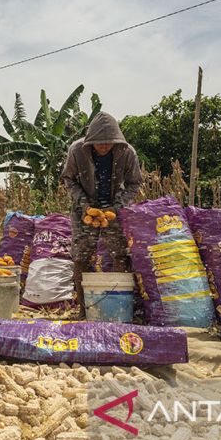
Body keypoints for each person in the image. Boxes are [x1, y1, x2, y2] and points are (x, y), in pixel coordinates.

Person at [61, 111, 143, 318]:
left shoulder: (127, 152)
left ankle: (121, 308)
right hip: (84, 210)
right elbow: (69, 179)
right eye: (99, 143)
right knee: (81, 257)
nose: (104, 146)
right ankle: (84, 309)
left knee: (121, 255)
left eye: (109, 142)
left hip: (114, 209)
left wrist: (118, 206)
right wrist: (84, 204)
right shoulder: (77, 151)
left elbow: (135, 183)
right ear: (90, 142)